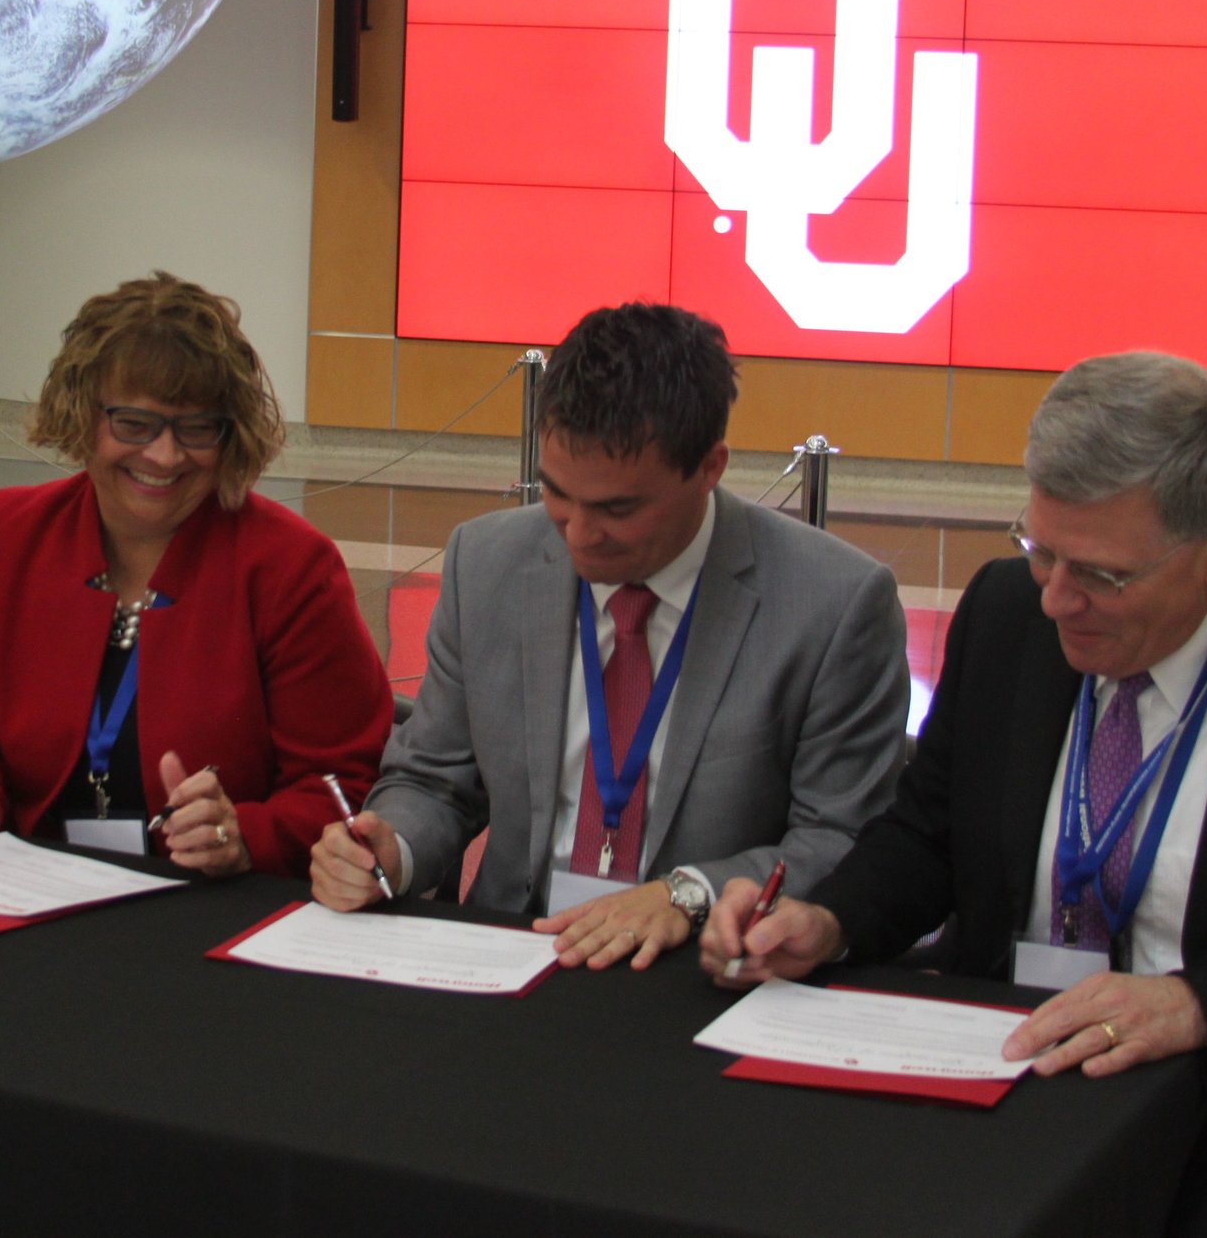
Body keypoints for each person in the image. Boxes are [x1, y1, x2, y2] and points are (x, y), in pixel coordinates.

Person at [702, 352, 1207, 1238]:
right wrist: (830, 919)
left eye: (1105, 576)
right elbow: (930, 831)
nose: (1059, 600)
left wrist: (1199, 1005)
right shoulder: (1008, 612)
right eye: (1042, 551)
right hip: (1006, 1066)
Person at [309, 302, 909, 971]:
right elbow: (434, 780)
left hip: (704, 971)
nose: (577, 533)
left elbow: (842, 834)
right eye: (558, 492)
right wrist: (392, 846)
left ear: (711, 467)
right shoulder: (487, 562)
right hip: (513, 952)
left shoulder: (832, 602)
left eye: (618, 508)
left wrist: (690, 893)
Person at [0, 273, 391, 880]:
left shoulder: (290, 566)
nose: (165, 455)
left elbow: (343, 787)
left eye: (197, 427)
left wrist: (247, 834)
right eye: (134, 423)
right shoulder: (9, 534)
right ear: (81, 413)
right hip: (25, 888)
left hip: (207, 906)